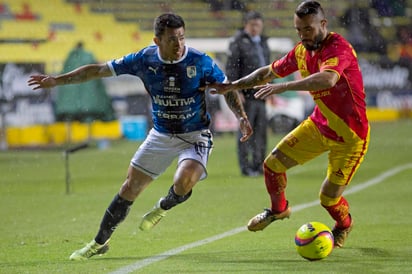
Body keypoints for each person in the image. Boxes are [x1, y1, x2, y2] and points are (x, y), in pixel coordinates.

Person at [28, 13, 253, 260]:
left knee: (184, 180)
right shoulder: (143, 59)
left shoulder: (200, 61)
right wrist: (57, 80)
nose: (179, 45)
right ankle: (98, 243)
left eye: (181, 37)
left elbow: (227, 87)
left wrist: (241, 116)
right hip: (161, 134)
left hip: (195, 134)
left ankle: (164, 206)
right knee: (130, 187)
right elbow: (99, 70)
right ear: (157, 41)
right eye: (171, 39)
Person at [206, 1, 370, 248]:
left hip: (350, 138)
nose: (303, 36)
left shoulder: (339, 48)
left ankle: (344, 225)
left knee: (328, 199)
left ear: (323, 24)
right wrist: (233, 85)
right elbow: (266, 73)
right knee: (272, 165)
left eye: (308, 29)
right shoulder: (301, 52)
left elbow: (328, 79)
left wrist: (284, 87)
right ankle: (278, 209)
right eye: (298, 30)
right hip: (319, 125)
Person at [226, 11, 271, 177]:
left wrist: (270, 87)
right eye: (252, 25)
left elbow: (268, 67)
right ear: (246, 25)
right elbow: (231, 68)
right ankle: (246, 167)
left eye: (258, 25)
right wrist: (236, 90)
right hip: (246, 95)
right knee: (246, 132)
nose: (255, 28)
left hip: (262, 93)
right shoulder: (238, 42)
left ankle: (259, 165)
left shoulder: (263, 42)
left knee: (261, 132)